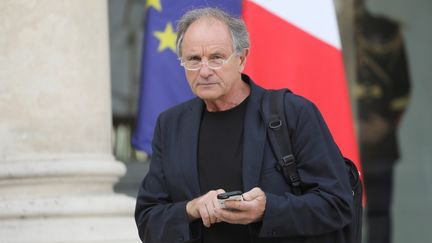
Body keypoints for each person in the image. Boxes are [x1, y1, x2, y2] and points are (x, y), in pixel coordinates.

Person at [135, 7, 352, 243]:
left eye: (216, 58)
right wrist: (192, 208)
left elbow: (338, 204)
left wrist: (268, 209)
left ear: (241, 59)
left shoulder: (293, 113)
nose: (204, 71)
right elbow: (148, 219)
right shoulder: (170, 125)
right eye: (193, 60)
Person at [353, 1, 411, 243]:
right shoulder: (318, 30)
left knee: (376, 213)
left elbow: (401, 93)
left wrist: (379, 127)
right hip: (338, 138)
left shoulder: (386, 32)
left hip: (375, 140)